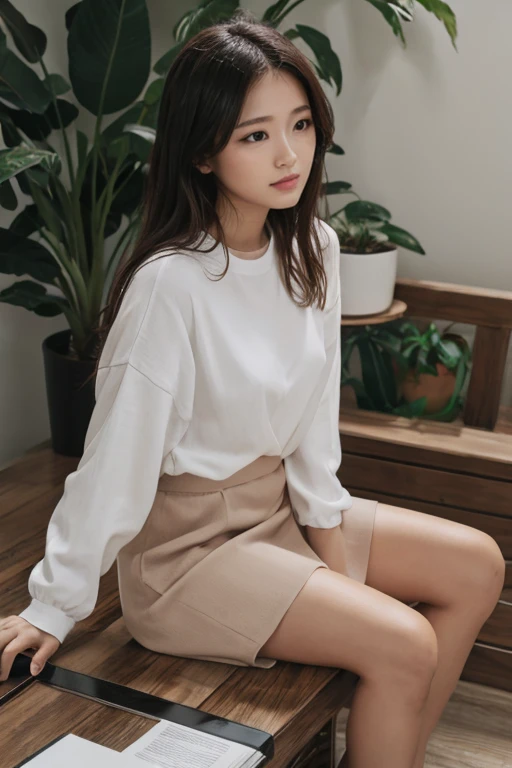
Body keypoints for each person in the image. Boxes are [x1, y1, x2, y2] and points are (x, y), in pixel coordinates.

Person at [0, 10, 505, 768]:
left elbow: (311, 426)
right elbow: (116, 459)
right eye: (254, 135)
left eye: (300, 124)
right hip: (187, 554)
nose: (289, 154)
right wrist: (54, 604)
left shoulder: (315, 248)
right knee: (403, 641)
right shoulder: (170, 284)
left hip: (275, 512)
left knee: (477, 564)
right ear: (203, 153)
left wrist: (330, 548)